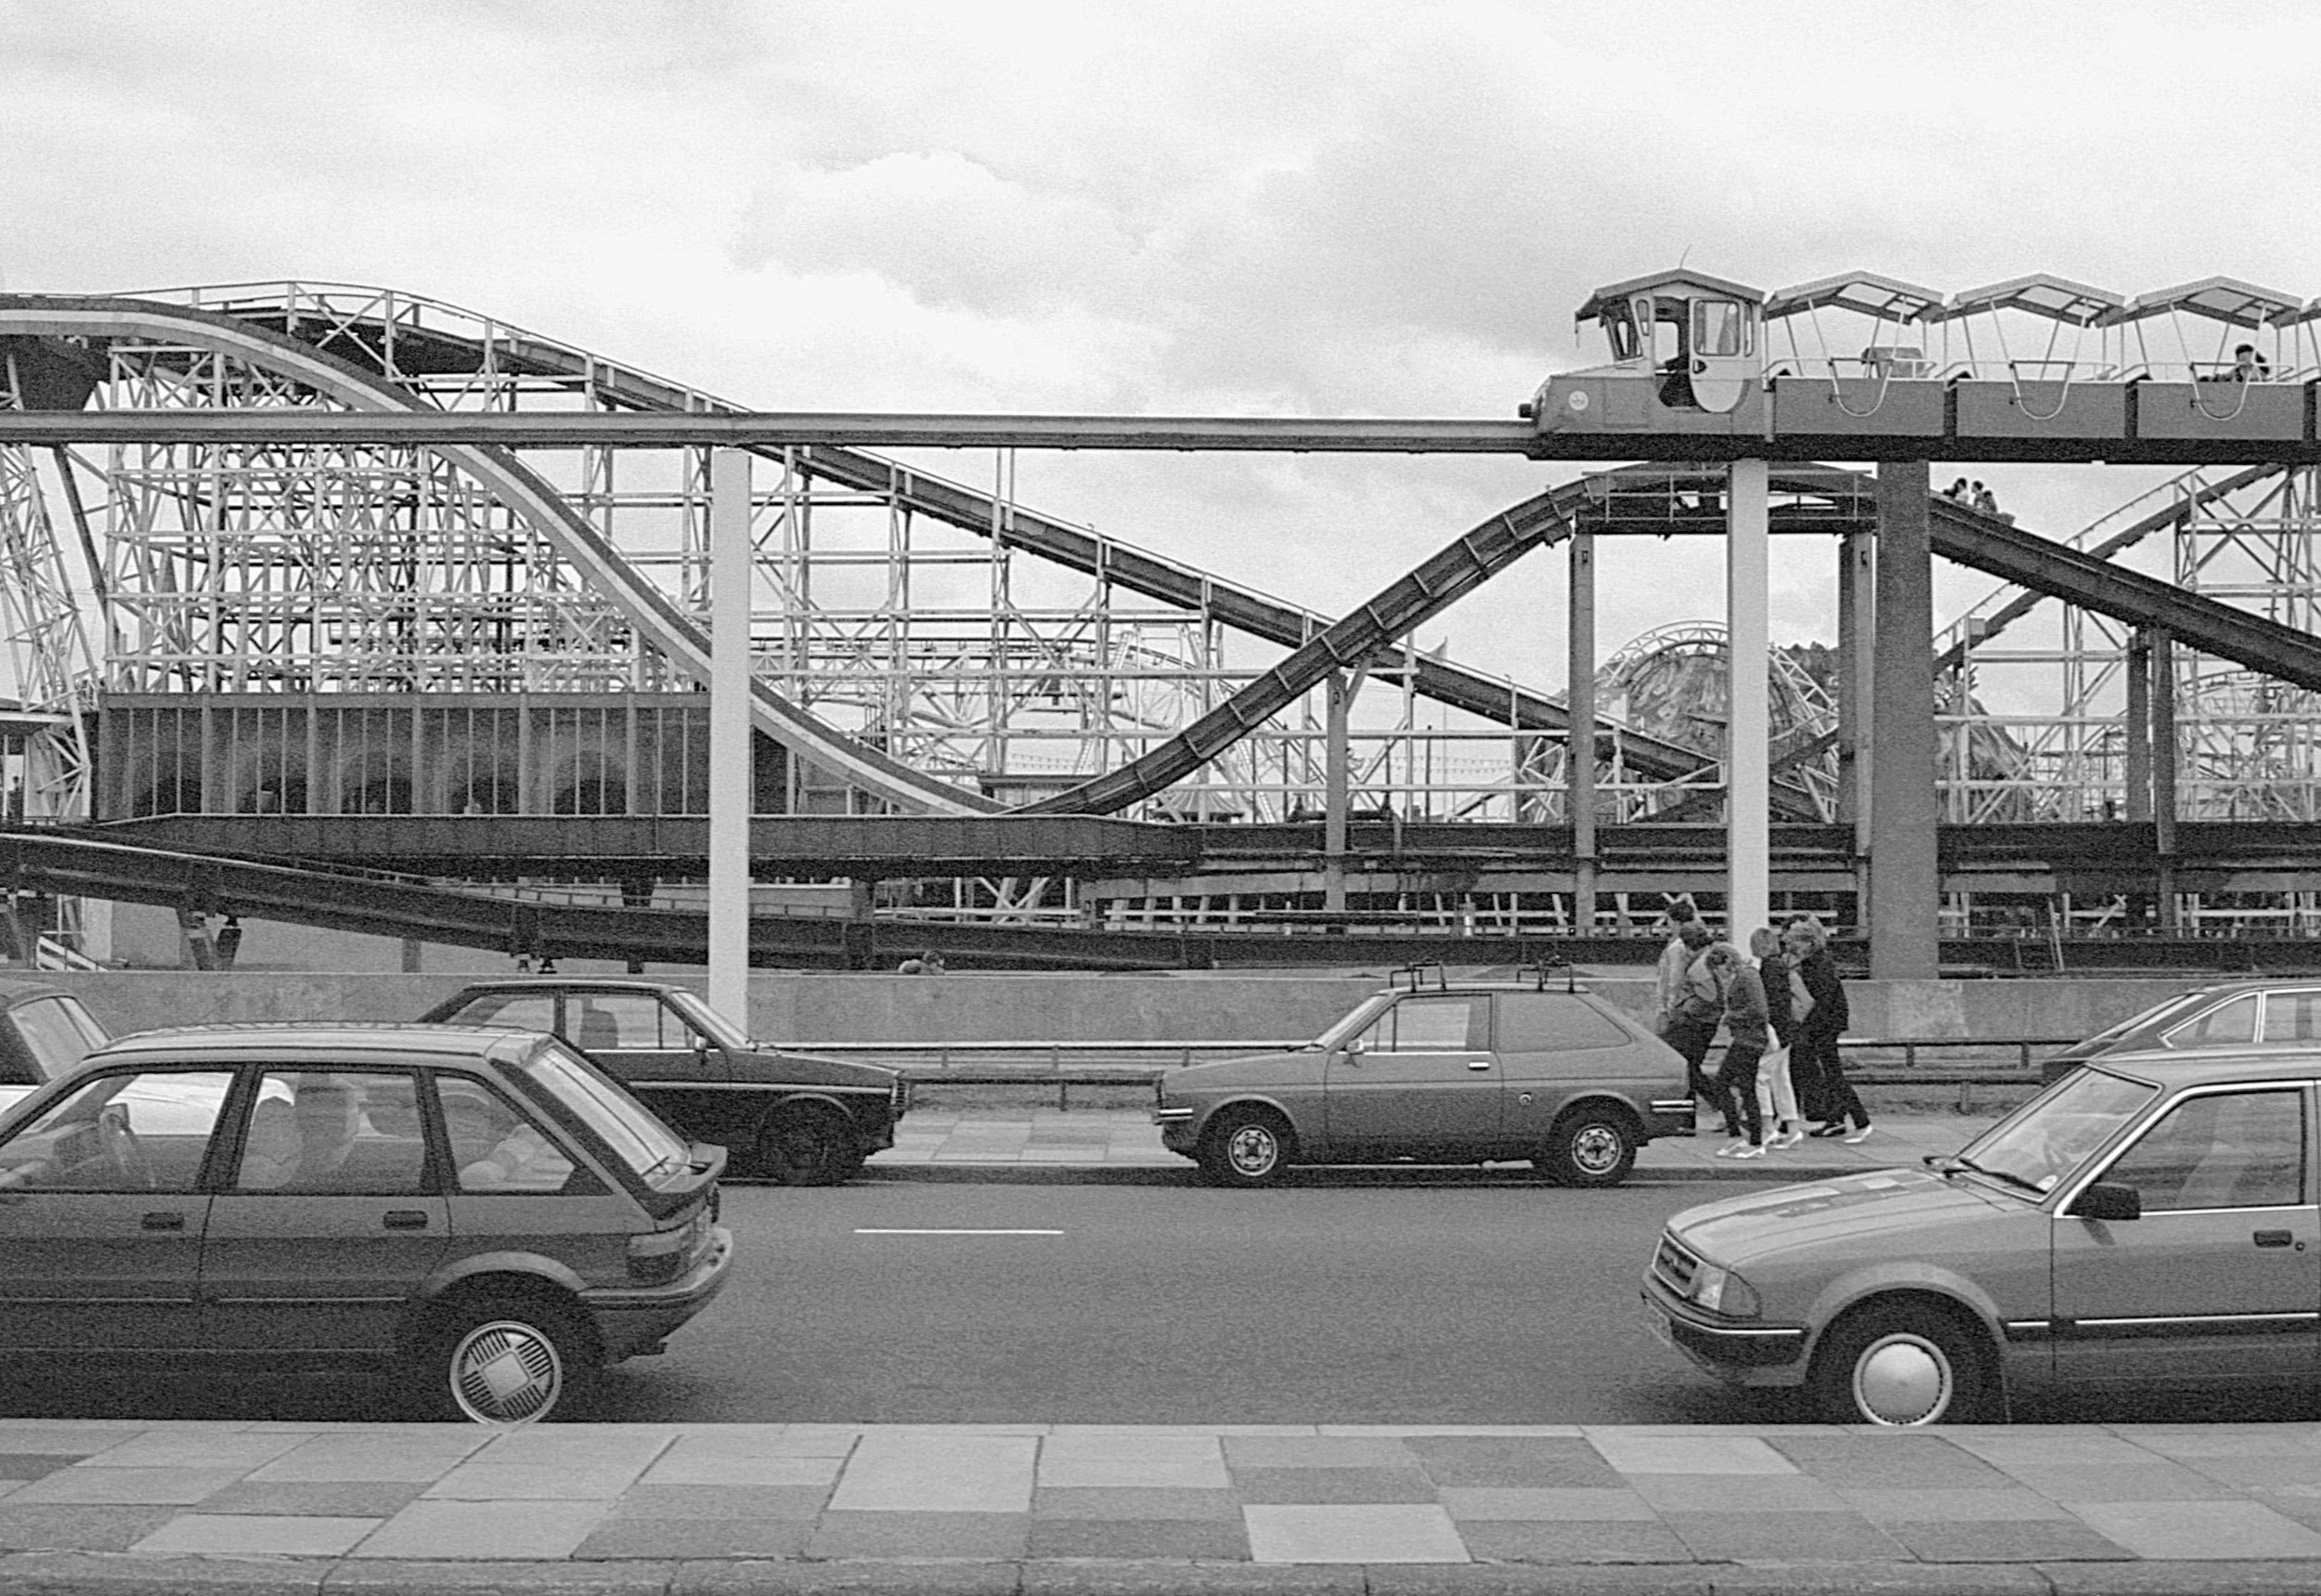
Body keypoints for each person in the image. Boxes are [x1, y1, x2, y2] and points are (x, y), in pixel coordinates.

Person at [1786, 915, 1870, 1142]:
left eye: (1795, 941)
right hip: (1825, 1023)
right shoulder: (1815, 961)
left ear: (1808, 942)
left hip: (1825, 1024)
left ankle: (1861, 1120)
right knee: (1832, 1073)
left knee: (1834, 1074)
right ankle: (1838, 1120)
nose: (1790, 946)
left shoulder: (1817, 965)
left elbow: (1821, 1000)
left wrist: (1808, 1027)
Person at [1702, 942, 1768, 1158]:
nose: (1718, 974)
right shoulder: (1746, 976)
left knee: (1723, 1084)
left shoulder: (1747, 977)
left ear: (1726, 962)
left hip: (1749, 1040)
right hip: (1747, 1039)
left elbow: (1758, 1009)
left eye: (1717, 968)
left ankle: (1740, 1136)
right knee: (1746, 1088)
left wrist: (1731, 1017)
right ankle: (1751, 1138)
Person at [1658, 920, 1724, 1130]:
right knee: (1689, 1069)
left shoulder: (1699, 967)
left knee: (1685, 1068)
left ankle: (1717, 1106)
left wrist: (1683, 1008)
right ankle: (1690, 1119)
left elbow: (1708, 998)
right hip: (1702, 1024)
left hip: (1695, 1024)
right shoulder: (1710, 959)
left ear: (1688, 945)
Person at [1748, 925, 1808, 1148]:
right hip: (1786, 1030)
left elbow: (1767, 1003)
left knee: (1760, 1077)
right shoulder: (1780, 966)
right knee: (1781, 1080)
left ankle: (1767, 1126)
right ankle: (1792, 1128)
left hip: (1773, 1029)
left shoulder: (1767, 969)